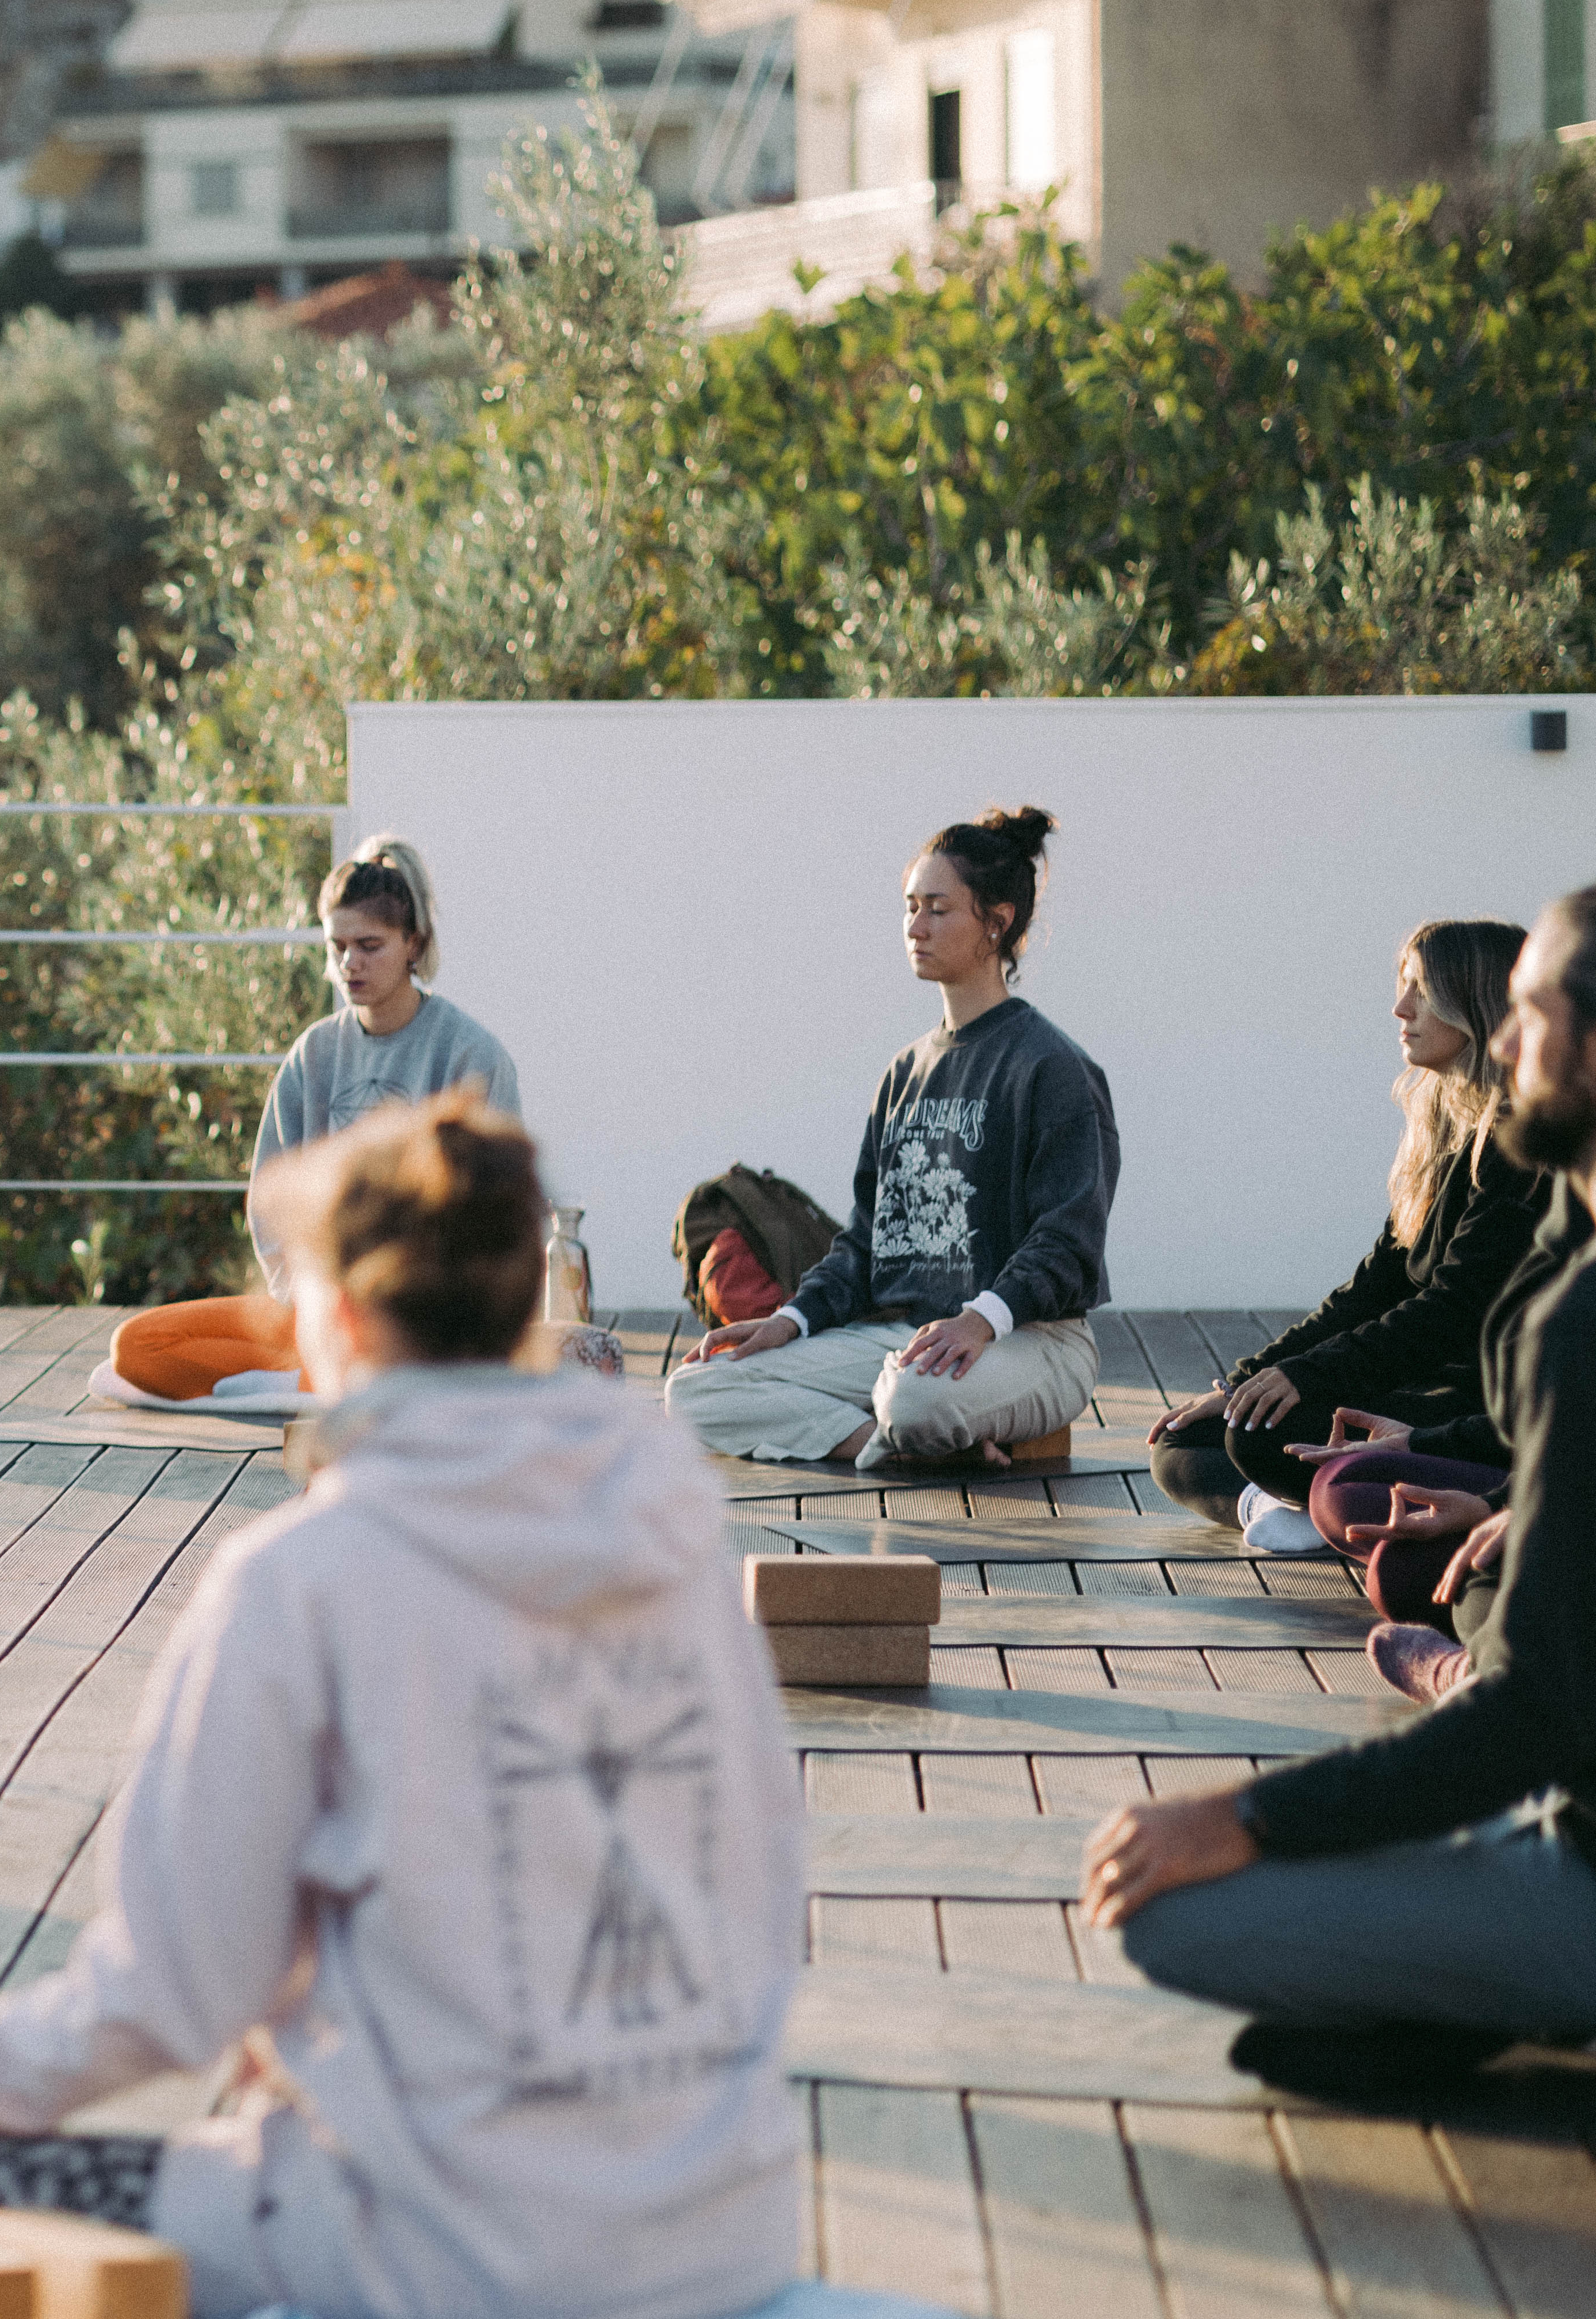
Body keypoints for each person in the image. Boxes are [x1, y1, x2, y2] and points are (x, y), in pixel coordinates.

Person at [0, 1087, 805, 2319]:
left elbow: (163, 1998)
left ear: (341, 1315)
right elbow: (758, 1887)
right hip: (725, 2237)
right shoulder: (677, 1534)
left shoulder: (301, 1577)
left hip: (454, 2258)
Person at [1086, 887, 1596, 2094]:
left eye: (1528, 1013)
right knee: (1453, 1563)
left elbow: (1533, 1722)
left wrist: (1241, 1817)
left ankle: (1508, 1970)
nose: (1508, 1046)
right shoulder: (1558, 1249)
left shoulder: (1576, 1313)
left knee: (1172, 1911)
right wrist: (1509, 1509)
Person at [669, 809, 1118, 1472]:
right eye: (909, 907)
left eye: (937, 909)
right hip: (905, 1340)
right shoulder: (903, 1071)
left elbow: (1067, 1243)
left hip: (1031, 1340)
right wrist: (787, 1323)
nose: (914, 927)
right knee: (696, 1388)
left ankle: (908, 1431)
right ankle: (893, 1449)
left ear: (995, 921)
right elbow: (863, 1241)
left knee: (911, 1399)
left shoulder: (1052, 1067)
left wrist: (978, 1320)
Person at [1147, 921, 1541, 1549]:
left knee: (1251, 1433)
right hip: (1406, 1385)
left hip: (1466, 1410)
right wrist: (1242, 1381)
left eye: (1422, 989)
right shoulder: (1440, 1135)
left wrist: (1301, 1379)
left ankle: (1315, 1505)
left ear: (1476, 1004)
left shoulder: (1519, 1146)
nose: (1399, 1008)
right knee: (1181, 1440)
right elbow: (1370, 1289)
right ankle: (1297, 1510)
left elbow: (1449, 1309)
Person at [93, 836, 520, 1408]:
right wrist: (312, 1303)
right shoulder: (314, 1053)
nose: (349, 964)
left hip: (423, 1324)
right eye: (337, 945)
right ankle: (325, 1380)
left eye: (369, 945)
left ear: (413, 942)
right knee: (139, 1348)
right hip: (320, 1308)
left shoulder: (471, 1055)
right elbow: (269, 1198)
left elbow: (501, 1218)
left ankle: (343, 1380)